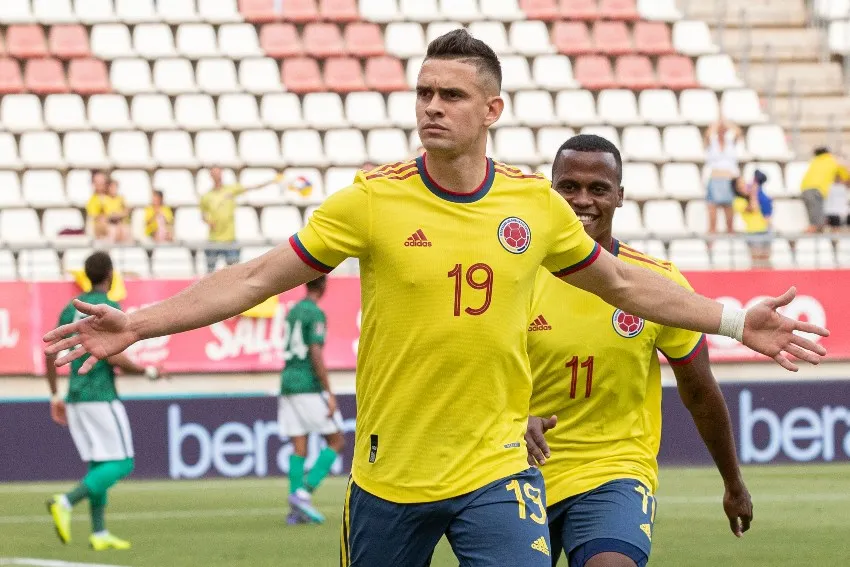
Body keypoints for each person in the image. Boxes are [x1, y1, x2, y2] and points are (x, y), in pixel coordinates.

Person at [43, 30, 827, 567]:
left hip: (498, 469)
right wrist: (138, 322)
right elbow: (254, 277)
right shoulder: (371, 202)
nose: (430, 107)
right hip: (389, 474)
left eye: (450, 94)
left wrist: (733, 318)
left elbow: (624, 282)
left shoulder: (535, 208)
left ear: (491, 111)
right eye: (422, 92)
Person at [524, 135, 753, 567]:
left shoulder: (656, 283)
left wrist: (734, 483)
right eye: (568, 187)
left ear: (620, 197)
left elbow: (700, 391)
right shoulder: (516, 275)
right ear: (550, 193)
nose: (582, 200)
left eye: (598, 189)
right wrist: (511, 416)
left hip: (613, 469)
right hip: (517, 469)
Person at [45, 252, 161, 551]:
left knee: (99, 463)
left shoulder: (70, 309)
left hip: (75, 395)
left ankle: (98, 532)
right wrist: (147, 371)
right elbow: (115, 352)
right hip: (100, 394)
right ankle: (65, 502)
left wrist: (55, 394)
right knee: (123, 462)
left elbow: (49, 349)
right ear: (110, 275)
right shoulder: (109, 308)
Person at [279, 275, 345, 525]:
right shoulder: (316, 314)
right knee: (337, 440)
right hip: (307, 384)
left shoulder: (294, 311)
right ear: (324, 285)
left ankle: (296, 511)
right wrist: (329, 392)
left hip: (287, 381)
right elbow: (315, 352)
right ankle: (303, 493)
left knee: (300, 447)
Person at [200, 167, 281, 273]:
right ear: (211, 176)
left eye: (219, 174)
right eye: (215, 174)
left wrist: (272, 181)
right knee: (209, 274)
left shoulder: (230, 189)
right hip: (213, 239)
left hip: (230, 239)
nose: (218, 176)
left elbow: (253, 187)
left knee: (234, 274)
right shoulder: (206, 196)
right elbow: (203, 215)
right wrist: (208, 221)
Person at [703, 118, 742, 234]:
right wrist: (716, 123)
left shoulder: (731, 143)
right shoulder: (712, 143)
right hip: (715, 180)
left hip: (728, 180)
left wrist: (726, 123)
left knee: (730, 221)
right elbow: (707, 134)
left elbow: (738, 133)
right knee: (712, 220)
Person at [800, 147, 849, 233]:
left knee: (813, 212)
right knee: (817, 216)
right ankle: (814, 231)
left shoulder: (815, 161)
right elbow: (845, 175)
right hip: (817, 188)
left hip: (805, 188)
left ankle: (815, 230)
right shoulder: (832, 160)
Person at [733, 171, 773, 269]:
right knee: (756, 261)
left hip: (765, 229)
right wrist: (753, 192)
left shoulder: (756, 196)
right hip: (752, 233)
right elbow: (753, 208)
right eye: (741, 184)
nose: (744, 185)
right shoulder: (738, 201)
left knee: (766, 260)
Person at [85, 170, 112, 242]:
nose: (100, 184)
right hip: (99, 229)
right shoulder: (92, 200)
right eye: (97, 182)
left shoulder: (112, 198)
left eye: (102, 182)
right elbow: (95, 216)